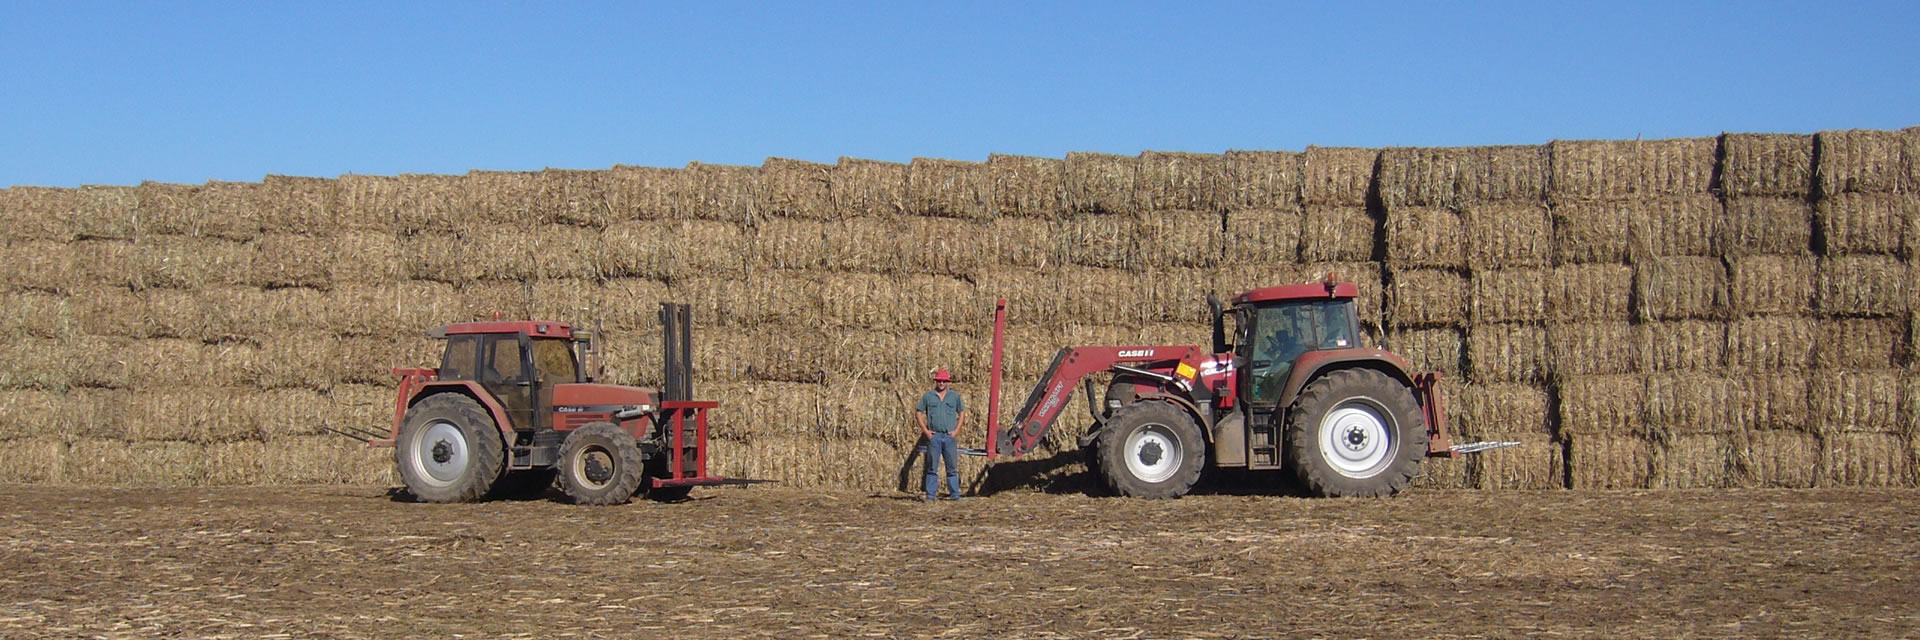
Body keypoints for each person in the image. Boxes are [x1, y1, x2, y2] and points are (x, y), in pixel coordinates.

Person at [915, 369, 965, 501]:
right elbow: (918, 412)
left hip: (949, 437)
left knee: (952, 468)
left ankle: (955, 495)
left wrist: (956, 431)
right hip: (934, 437)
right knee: (932, 467)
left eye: (944, 381)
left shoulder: (955, 397)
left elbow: (962, 413)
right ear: (936, 381)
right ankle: (930, 496)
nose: (941, 383)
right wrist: (926, 431)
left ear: (948, 382)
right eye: (939, 381)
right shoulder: (928, 396)